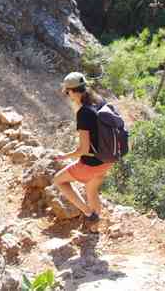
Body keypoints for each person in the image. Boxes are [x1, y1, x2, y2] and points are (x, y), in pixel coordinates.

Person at [52, 72, 115, 225]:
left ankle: (88, 212)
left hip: (93, 163)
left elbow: (84, 149)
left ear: (72, 91)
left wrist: (65, 156)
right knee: (91, 189)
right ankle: (95, 226)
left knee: (59, 181)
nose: (68, 96)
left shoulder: (84, 113)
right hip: (109, 159)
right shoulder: (99, 101)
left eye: (67, 92)